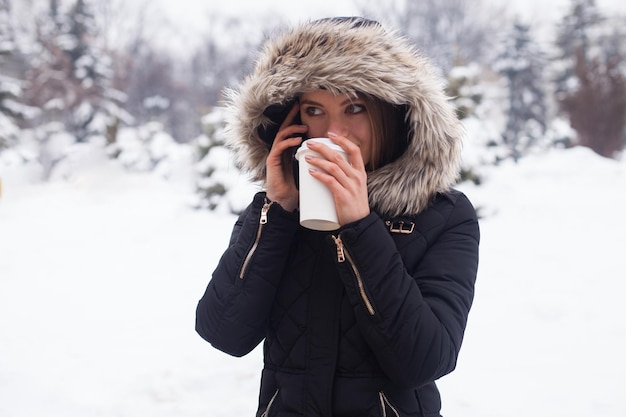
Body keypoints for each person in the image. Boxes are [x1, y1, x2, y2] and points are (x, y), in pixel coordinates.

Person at [195, 16, 480, 417]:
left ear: (390, 114)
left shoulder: (442, 216)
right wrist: (276, 210)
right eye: (314, 109)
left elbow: (426, 359)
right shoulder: (276, 213)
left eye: (355, 108)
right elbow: (223, 331)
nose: (332, 132)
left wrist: (360, 227)